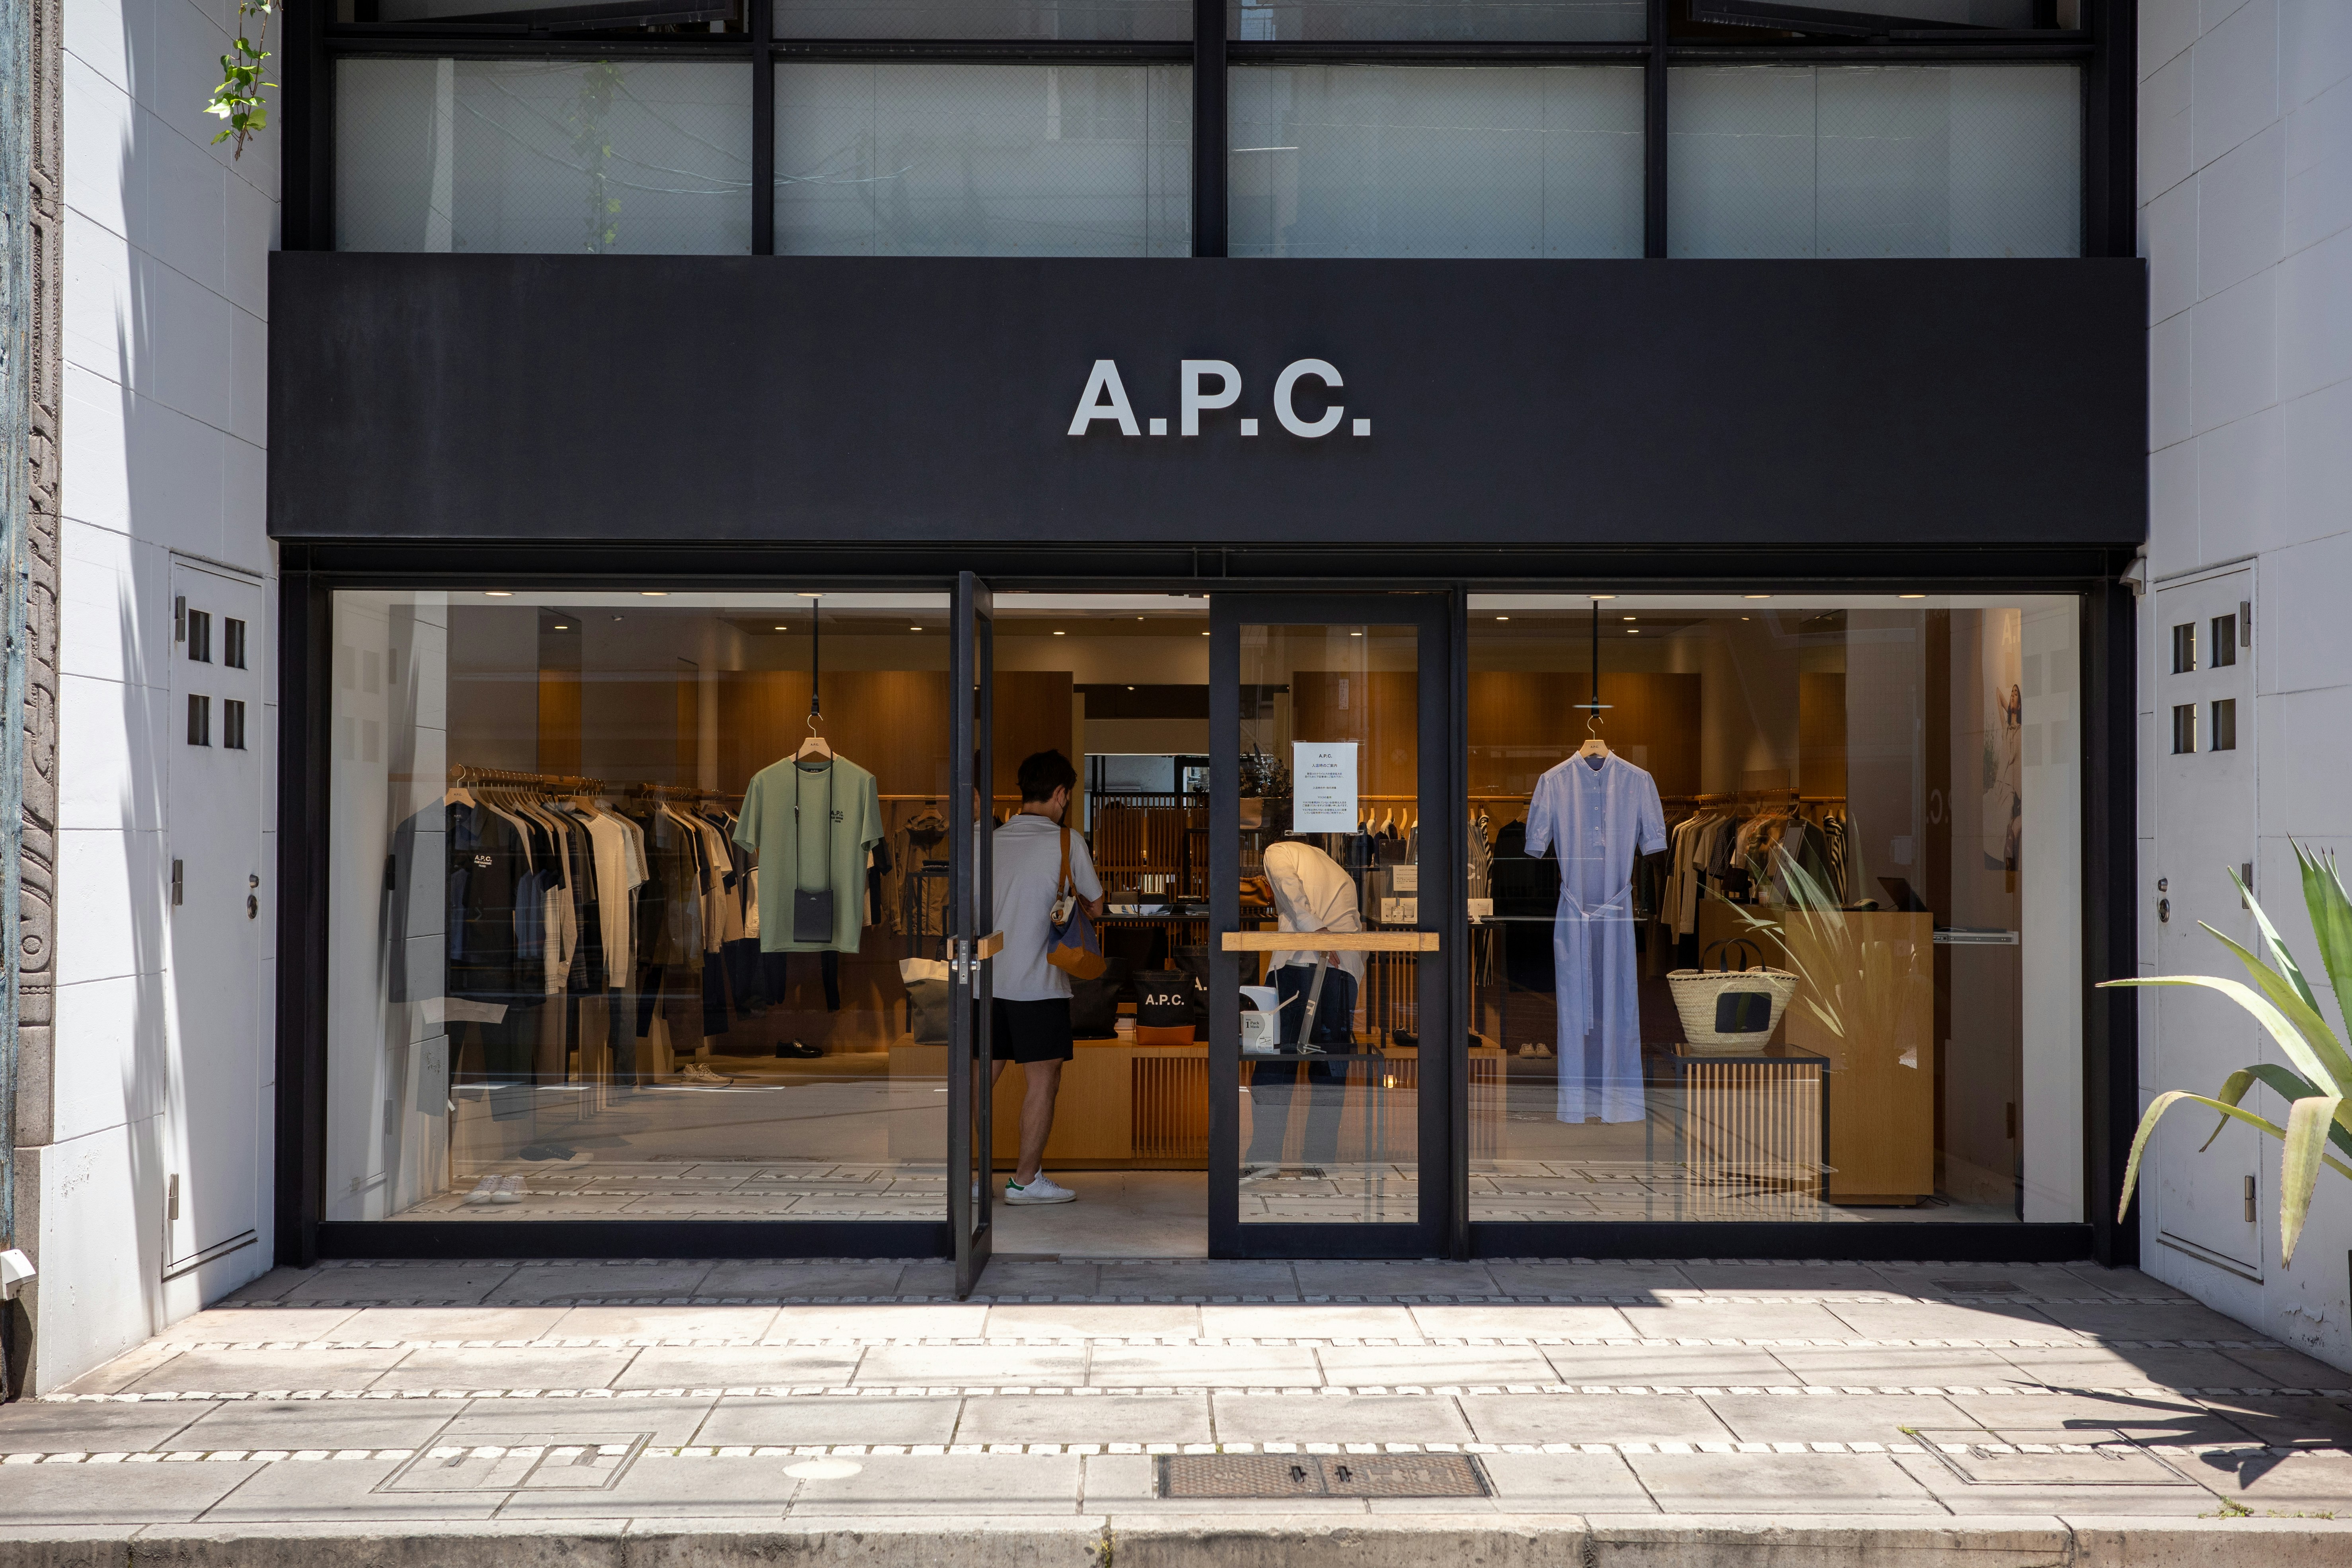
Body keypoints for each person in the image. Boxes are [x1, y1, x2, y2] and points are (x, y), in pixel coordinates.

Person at [985, 749, 1103, 1204]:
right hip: (1039, 985)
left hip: (986, 982)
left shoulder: (988, 841)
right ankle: (1025, 1179)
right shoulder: (1065, 841)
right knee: (1042, 1080)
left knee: (981, 1079)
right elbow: (1093, 902)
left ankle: (970, 1177)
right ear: (1060, 794)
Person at [1240, 803, 1364, 1178]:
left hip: (1300, 966)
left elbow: (1290, 891)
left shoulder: (1278, 851)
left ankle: (1264, 1160)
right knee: (1329, 1070)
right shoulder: (1338, 869)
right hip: (1345, 973)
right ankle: (1319, 1162)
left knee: (1276, 1064)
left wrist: (1315, 930)